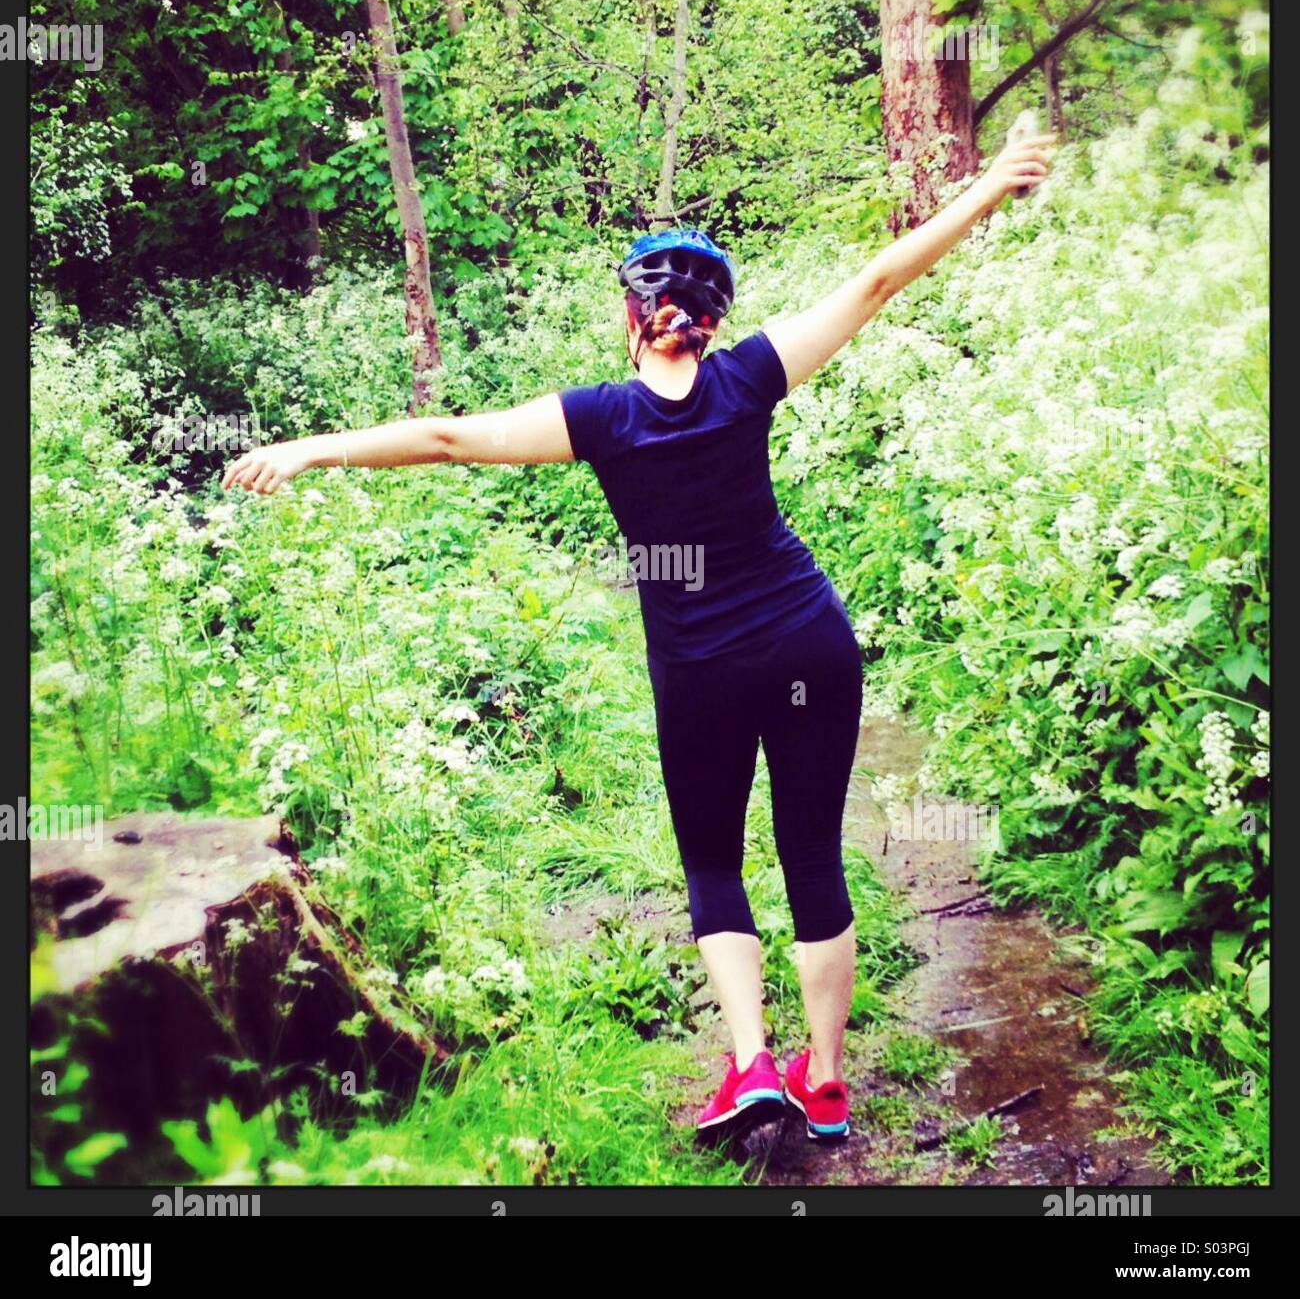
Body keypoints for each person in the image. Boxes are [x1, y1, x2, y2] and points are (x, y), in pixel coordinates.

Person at [222, 133, 1054, 1148]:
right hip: (808, 641)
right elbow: (877, 281)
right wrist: (984, 188)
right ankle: (826, 1083)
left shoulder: (601, 419)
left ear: (633, 313)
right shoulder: (750, 377)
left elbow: (446, 440)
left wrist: (312, 450)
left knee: (713, 861)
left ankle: (751, 1065)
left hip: (700, 668)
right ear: (714, 321)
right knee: (810, 853)